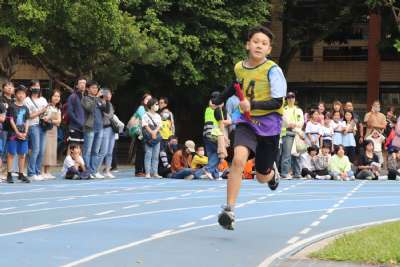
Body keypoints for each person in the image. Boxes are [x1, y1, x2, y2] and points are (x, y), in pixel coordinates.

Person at [212, 26, 286, 230]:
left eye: (264, 43)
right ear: (248, 44)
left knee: (262, 177)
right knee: (237, 160)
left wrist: (253, 105)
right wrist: (218, 99)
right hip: (246, 122)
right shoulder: (239, 67)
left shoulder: (273, 70)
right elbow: (234, 85)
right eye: (255, 41)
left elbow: (278, 102)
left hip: (269, 125)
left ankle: (272, 175)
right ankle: (229, 209)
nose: (259, 45)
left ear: (269, 49)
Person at [82, 80, 109, 178]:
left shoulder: (99, 99)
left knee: (95, 151)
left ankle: (94, 171)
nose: (95, 89)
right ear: (88, 89)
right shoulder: (85, 98)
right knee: (87, 150)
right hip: (90, 127)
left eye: (96, 88)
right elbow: (89, 108)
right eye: (93, 88)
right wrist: (96, 98)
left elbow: (106, 110)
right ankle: (88, 171)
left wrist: (106, 100)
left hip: (100, 127)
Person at [24, 80, 49, 180]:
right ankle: (31, 172)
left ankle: (38, 171)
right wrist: (41, 111)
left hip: (43, 126)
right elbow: (28, 116)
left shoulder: (43, 99)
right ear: (30, 88)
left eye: (38, 86)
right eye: (34, 86)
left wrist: (47, 116)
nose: (37, 88)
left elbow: (47, 112)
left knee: (42, 151)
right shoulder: (27, 100)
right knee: (36, 149)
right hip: (33, 126)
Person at [6, 85, 30, 183]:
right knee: (11, 154)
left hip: (23, 134)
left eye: (23, 93)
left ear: (25, 95)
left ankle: (21, 174)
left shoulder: (26, 107)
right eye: (19, 93)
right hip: (13, 134)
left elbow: (27, 120)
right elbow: (11, 120)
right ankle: (9, 174)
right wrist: (17, 132)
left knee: (22, 154)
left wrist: (25, 132)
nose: (21, 95)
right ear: (16, 95)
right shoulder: (12, 106)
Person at [280, 91, 304, 178]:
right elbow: (283, 122)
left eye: (292, 97)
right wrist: (289, 124)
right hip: (287, 132)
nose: (291, 99)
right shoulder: (283, 109)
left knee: (297, 154)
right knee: (287, 153)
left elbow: (301, 122)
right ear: (286, 99)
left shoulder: (298, 110)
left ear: (294, 99)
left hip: (297, 132)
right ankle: (285, 173)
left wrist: (295, 126)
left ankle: (297, 173)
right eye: (289, 97)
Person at [129, 93, 152, 177]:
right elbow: (145, 119)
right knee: (140, 151)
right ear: (143, 100)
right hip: (140, 132)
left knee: (145, 151)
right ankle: (138, 171)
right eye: (147, 99)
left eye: (150, 99)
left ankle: (145, 170)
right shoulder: (141, 108)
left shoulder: (150, 109)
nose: (149, 100)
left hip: (147, 132)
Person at [42, 89, 62, 179]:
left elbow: (59, 122)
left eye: (58, 96)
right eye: (55, 96)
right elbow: (44, 118)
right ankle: (42, 171)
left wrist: (52, 120)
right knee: (46, 150)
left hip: (54, 131)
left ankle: (48, 171)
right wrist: (54, 121)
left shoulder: (58, 108)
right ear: (51, 97)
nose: (56, 98)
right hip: (46, 130)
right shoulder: (47, 106)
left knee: (52, 150)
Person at [97, 89, 116, 178]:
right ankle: (96, 170)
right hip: (104, 128)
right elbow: (107, 114)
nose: (109, 95)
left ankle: (107, 170)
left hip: (111, 128)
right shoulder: (99, 102)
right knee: (103, 151)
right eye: (107, 94)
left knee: (110, 151)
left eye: (110, 94)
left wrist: (108, 114)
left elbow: (110, 115)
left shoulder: (110, 104)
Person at [142, 98, 162, 178]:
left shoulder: (158, 115)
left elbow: (160, 126)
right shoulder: (145, 115)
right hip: (149, 137)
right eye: (156, 104)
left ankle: (155, 173)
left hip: (156, 137)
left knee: (156, 155)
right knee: (148, 154)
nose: (157, 106)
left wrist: (155, 132)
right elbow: (145, 125)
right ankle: (147, 173)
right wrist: (152, 132)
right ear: (151, 106)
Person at [66, 78, 86, 145]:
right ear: (77, 85)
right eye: (81, 83)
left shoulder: (85, 97)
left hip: (83, 128)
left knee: (80, 150)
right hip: (74, 127)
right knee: (73, 148)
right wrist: (79, 122)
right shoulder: (72, 97)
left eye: (84, 83)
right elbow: (70, 112)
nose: (83, 85)